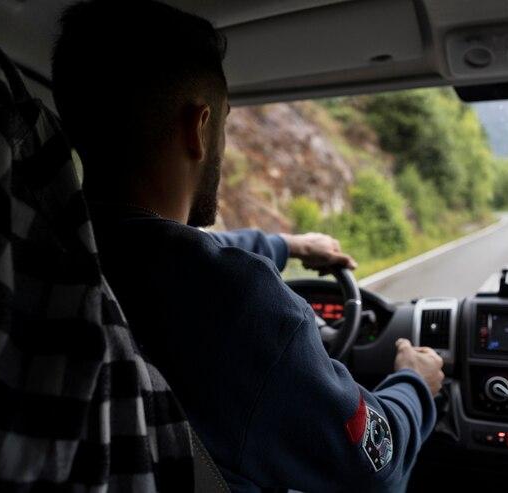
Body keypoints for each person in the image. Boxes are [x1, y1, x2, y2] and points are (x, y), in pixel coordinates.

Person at [51, 1, 444, 491]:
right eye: (225, 124)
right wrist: (415, 385)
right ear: (199, 128)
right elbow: (374, 467)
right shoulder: (239, 303)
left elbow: (164, 246)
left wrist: (288, 245)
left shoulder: (54, 247)